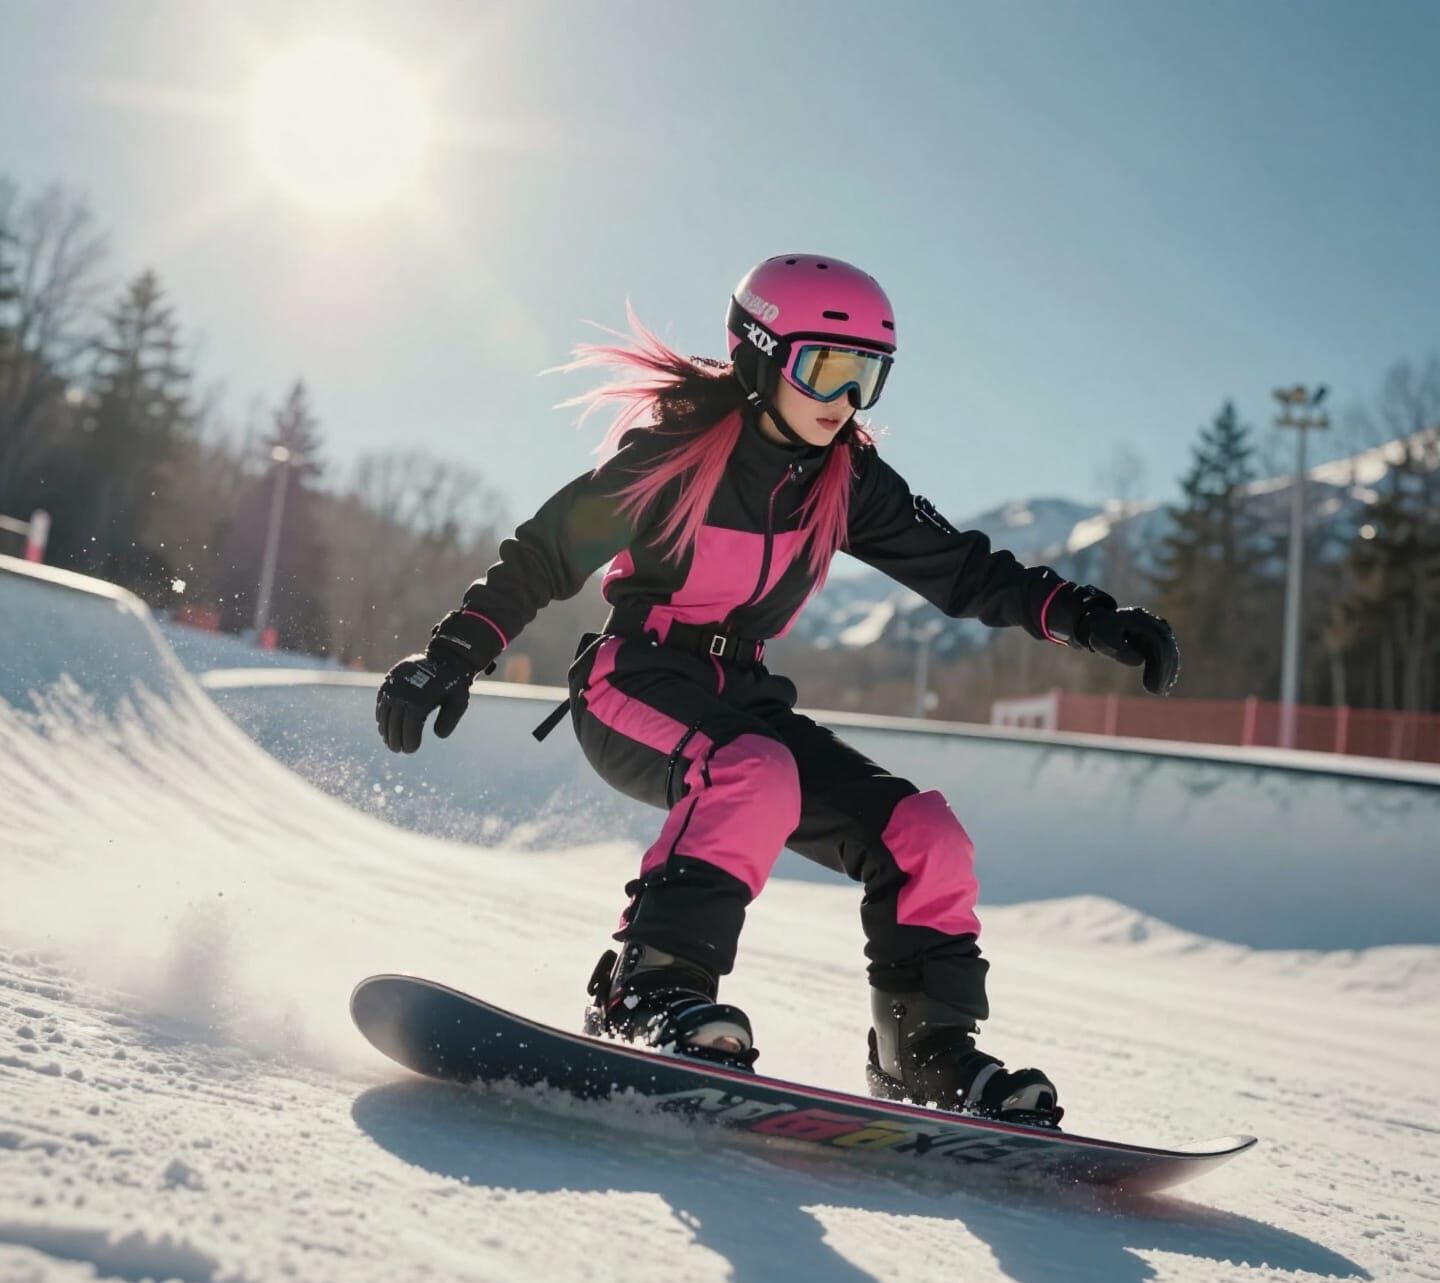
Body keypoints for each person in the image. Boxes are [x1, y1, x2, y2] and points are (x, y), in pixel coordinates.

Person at [376, 253, 1179, 1125]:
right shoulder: (675, 456)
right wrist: (453, 654)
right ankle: (648, 991)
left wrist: (1089, 618)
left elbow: (965, 571)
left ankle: (924, 1051)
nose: (847, 400)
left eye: (868, 376)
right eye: (826, 369)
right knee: (754, 772)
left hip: (744, 697)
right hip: (633, 677)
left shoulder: (847, 479)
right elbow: (544, 554)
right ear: (759, 355)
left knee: (923, 834)